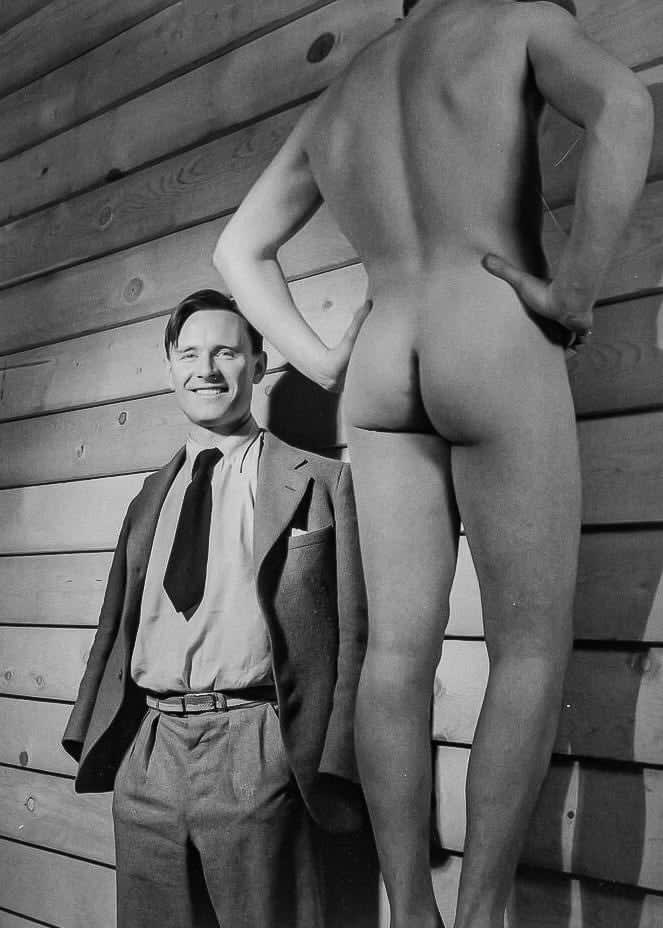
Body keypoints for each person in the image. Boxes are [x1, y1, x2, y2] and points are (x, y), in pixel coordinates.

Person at [212, 2, 654, 926]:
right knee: (525, 652)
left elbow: (236, 249)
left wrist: (323, 361)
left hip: (383, 356)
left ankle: (410, 912)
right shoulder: (517, 21)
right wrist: (574, 290)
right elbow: (622, 104)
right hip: (489, 330)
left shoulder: (347, 89)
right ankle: (482, 918)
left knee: (394, 655)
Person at [62, 289, 368, 928]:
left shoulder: (320, 481)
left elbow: (355, 634)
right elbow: (115, 623)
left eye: (226, 352)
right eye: (189, 354)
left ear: (257, 364)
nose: (205, 369)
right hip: (149, 750)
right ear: (170, 368)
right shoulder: (151, 494)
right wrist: (103, 738)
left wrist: (325, 763)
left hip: (257, 743)